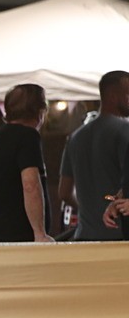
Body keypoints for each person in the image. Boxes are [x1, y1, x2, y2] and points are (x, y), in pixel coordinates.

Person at [58, 70, 129, 240]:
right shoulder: (124, 131)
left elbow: (64, 192)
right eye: (128, 94)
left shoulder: (75, 136)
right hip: (118, 234)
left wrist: (89, 209)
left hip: (85, 234)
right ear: (113, 96)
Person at [0, 84, 53, 243]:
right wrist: (39, 233)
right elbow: (30, 184)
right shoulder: (27, 136)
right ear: (39, 111)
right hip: (20, 237)